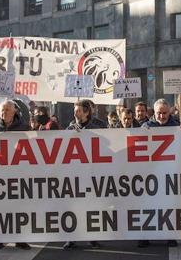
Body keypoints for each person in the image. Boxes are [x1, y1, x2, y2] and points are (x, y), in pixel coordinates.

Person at [0, 100, 31, 251]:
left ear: (15, 112)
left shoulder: (24, 128)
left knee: (18, 208)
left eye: (7, 110)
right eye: (2, 110)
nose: (4, 113)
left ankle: (20, 239)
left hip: (18, 174)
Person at [63, 100, 103, 250]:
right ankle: (71, 238)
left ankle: (92, 237)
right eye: (75, 110)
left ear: (87, 112)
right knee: (72, 208)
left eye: (79, 110)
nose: (76, 113)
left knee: (90, 208)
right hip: (74, 175)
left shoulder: (98, 128)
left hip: (92, 175)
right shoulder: (70, 128)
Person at [138, 99, 178, 248]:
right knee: (148, 205)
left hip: (169, 172)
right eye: (158, 113)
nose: (161, 116)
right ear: (153, 113)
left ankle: (170, 235)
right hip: (150, 173)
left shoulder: (176, 126)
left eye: (164, 113)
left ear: (169, 112)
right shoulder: (146, 126)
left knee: (169, 204)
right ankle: (145, 235)